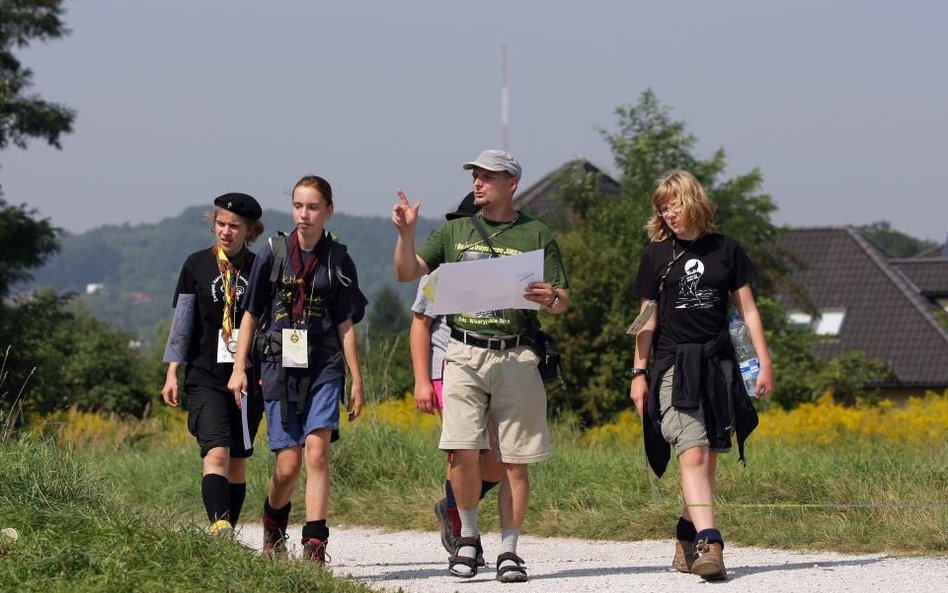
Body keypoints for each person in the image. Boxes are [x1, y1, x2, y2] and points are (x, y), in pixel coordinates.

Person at [392, 149, 570, 583]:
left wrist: (553, 299)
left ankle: (510, 548)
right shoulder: (454, 232)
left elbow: (564, 300)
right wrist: (407, 235)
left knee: (514, 460)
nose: (478, 182)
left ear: (511, 183)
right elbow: (406, 272)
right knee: (461, 450)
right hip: (463, 353)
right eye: (475, 175)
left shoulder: (537, 232)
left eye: (488, 176)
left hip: (516, 354)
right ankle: (468, 538)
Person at [628, 170, 772, 581]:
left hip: (717, 365)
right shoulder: (656, 253)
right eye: (662, 207)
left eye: (674, 204)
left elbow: (749, 311)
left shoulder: (727, 249)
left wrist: (762, 361)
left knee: (707, 459)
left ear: (693, 200)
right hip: (674, 365)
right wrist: (639, 372)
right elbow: (645, 319)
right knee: (691, 451)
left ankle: (685, 536)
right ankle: (711, 543)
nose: (669, 213)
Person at [228, 175, 368, 566]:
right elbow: (251, 314)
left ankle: (314, 545)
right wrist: (240, 367)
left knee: (318, 451)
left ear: (328, 211)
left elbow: (346, 324)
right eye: (298, 206)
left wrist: (356, 379)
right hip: (277, 366)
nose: (304, 215)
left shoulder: (338, 259)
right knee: (288, 466)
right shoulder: (273, 253)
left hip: (324, 366)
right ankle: (273, 522)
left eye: (312, 207)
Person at [161, 192, 266, 535]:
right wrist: (172, 372)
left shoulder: (260, 267)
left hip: (249, 378)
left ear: (249, 230)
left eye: (234, 226)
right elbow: (183, 322)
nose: (226, 232)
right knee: (216, 452)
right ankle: (218, 527)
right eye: (220, 224)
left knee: (237, 461)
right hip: (205, 374)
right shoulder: (196, 264)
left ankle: (226, 535)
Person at [409, 192, 505, 561]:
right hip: (447, 368)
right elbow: (420, 325)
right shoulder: (442, 271)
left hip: (494, 367)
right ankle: (464, 530)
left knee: (497, 458)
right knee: (464, 452)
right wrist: (421, 381)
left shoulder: (503, 267)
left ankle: (451, 505)